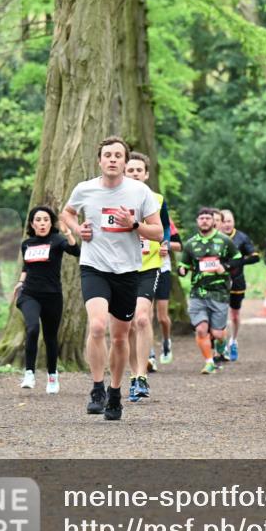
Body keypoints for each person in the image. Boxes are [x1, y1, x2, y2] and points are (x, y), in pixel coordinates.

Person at [60, 136, 163, 421]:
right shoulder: (85, 189)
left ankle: (115, 392)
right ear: (100, 160)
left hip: (128, 271)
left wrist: (134, 225)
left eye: (119, 155)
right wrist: (77, 228)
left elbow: (158, 233)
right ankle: (96, 388)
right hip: (94, 266)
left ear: (126, 161)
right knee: (96, 326)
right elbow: (66, 213)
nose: (113, 159)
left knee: (119, 337)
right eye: (108, 155)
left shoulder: (140, 192)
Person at [13, 205, 80, 393]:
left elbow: (75, 251)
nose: (42, 223)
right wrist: (20, 282)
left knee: (50, 337)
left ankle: (52, 376)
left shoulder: (57, 240)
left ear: (51, 223)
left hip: (52, 295)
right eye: (38, 220)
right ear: (32, 224)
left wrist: (68, 233)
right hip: (30, 294)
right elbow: (27, 266)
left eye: (45, 220)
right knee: (32, 328)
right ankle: (29, 373)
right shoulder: (26, 244)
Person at [124, 152, 170, 401]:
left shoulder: (157, 199)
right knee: (129, 322)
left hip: (148, 265)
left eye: (138, 170)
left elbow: (166, 230)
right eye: (130, 170)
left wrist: (164, 243)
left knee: (142, 318)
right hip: (121, 266)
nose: (134, 174)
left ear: (146, 173)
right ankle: (132, 374)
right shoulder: (115, 198)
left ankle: (142, 375)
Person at [178, 207, 242, 374]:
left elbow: (238, 259)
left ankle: (221, 344)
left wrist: (225, 267)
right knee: (201, 329)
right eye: (201, 218)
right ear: (197, 222)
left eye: (208, 218)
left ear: (214, 221)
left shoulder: (224, 241)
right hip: (198, 292)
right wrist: (182, 270)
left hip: (219, 292)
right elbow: (183, 265)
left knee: (218, 333)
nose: (205, 221)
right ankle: (209, 362)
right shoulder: (191, 243)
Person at [219, 208, 260, 361]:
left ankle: (233, 340)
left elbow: (255, 257)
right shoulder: (215, 238)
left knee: (234, 315)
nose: (226, 224)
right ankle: (220, 346)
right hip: (218, 282)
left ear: (234, 222)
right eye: (223, 221)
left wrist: (238, 261)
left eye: (229, 221)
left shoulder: (242, 238)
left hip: (237, 281)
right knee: (219, 313)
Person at [153, 214, 182, 366]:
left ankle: (166, 341)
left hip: (162, 270)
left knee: (162, 318)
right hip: (140, 270)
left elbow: (179, 245)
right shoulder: (133, 218)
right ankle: (149, 353)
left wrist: (167, 246)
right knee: (142, 317)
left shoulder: (164, 220)